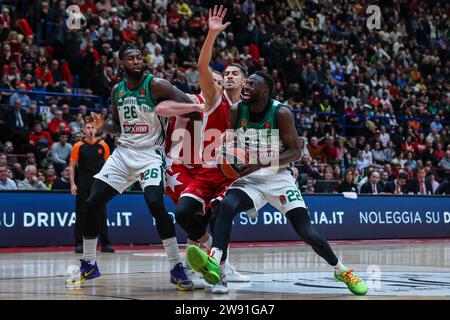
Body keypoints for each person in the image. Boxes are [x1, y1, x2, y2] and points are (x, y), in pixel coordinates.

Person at [186, 70, 368, 295]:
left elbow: (296, 153)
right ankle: (215, 263)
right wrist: (226, 151)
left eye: (251, 85)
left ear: (265, 92)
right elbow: (233, 141)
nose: (245, 87)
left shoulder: (281, 112)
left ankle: (341, 270)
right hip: (249, 178)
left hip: (278, 177)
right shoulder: (236, 110)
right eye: (246, 83)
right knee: (224, 206)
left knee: (306, 231)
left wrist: (260, 163)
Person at [65, 43, 202, 290]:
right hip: (124, 153)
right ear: (122, 63)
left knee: (155, 204)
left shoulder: (156, 85)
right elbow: (117, 126)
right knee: (92, 202)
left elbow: (191, 107)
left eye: (140, 57)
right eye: (131, 58)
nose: (137, 61)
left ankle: (175, 266)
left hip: (150, 154)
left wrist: (183, 122)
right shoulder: (117, 90)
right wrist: (103, 125)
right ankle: (89, 263)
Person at [163, 6, 249, 293]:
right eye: (226, 73)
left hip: (232, 172)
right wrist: (211, 34)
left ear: (245, 81)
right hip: (202, 169)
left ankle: (219, 269)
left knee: (222, 211)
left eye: (235, 73)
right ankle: (214, 257)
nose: (228, 76)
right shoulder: (212, 98)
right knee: (185, 214)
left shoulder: (251, 110)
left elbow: (263, 147)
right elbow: (202, 67)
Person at [69, 122, 114, 254]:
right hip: (83, 180)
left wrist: (109, 181)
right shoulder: (78, 146)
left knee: (101, 211)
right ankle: (79, 243)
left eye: (93, 128)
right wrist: (72, 183)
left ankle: (105, 244)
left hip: (99, 180)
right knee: (81, 212)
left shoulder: (103, 145)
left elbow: (109, 165)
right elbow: (71, 166)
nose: (90, 130)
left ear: (97, 130)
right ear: (84, 130)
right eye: (88, 128)